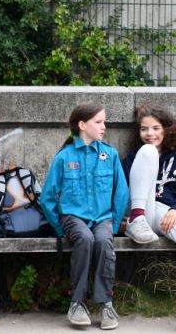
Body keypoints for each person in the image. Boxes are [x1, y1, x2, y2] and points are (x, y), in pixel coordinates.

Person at [40, 104, 128, 330]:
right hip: (73, 217)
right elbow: (47, 198)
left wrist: (113, 225)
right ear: (82, 125)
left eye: (104, 121)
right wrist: (60, 228)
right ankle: (76, 303)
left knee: (103, 240)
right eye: (98, 122)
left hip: (102, 218)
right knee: (85, 238)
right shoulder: (64, 157)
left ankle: (105, 303)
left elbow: (121, 193)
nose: (104, 126)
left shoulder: (109, 154)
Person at [122, 105, 176, 334]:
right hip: (140, 211)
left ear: (167, 130)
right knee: (148, 151)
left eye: (156, 128)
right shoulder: (133, 157)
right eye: (144, 129)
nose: (150, 134)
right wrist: (121, 217)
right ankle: (137, 220)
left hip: (167, 214)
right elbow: (120, 191)